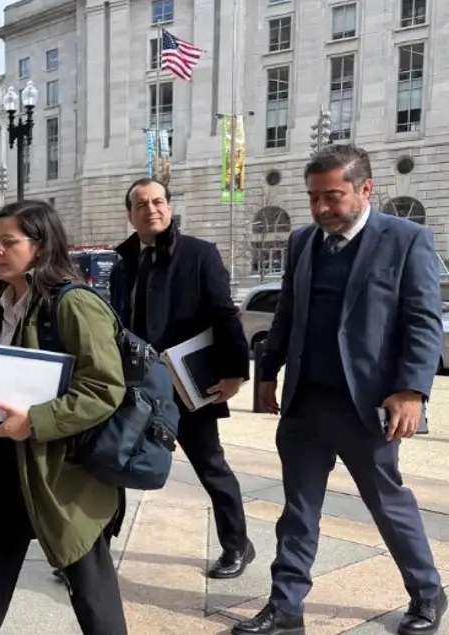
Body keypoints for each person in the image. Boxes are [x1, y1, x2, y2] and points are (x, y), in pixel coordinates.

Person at [233, 145, 446, 635]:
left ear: (365, 189)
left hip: (367, 407)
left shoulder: (407, 240)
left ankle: (428, 592)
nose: (322, 208)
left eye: (333, 196)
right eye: (314, 198)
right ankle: (286, 606)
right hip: (306, 402)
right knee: (298, 509)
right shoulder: (304, 242)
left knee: (387, 504)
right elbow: (286, 313)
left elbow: (423, 322)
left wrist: (412, 389)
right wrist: (269, 371)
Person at [0, 200, 129, 635]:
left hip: (61, 473)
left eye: (9, 243)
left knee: (89, 584)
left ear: (41, 245)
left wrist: (36, 422)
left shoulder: (74, 304)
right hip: (1, 460)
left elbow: (105, 387)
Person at [107, 178, 252, 579]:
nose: (151, 209)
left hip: (190, 386)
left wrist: (235, 374)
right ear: (131, 214)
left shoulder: (199, 255)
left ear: (169, 207)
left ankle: (237, 545)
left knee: (210, 466)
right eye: (141, 204)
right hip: (135, 387)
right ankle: (95, 549)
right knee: (110, 460)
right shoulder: (123, 266)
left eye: (158, 202)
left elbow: (225, 315)